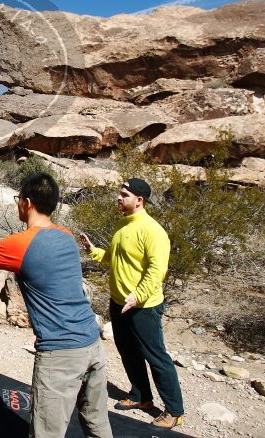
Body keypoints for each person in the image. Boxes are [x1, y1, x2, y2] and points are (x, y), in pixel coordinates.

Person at [0, 172, 111, 438]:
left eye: (18, 199)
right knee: (96, 422)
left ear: (26, 203)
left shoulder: (21, 243)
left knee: (46, 432)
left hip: (61, 352)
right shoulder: (65, 234)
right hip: (92, 343)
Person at [80, 178, 185, 430]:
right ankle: (141, 397)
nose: (118, 197)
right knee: (128, 351)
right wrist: (94, 250)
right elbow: (116, 257)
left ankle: (174, 411)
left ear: (140, 200)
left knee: (156, 357)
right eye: (119, 192)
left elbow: (157, 271)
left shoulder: (152, 231)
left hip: (143, 306)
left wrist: (138, 296)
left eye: (124, 194)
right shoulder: (122, 224)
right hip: (119, 302)